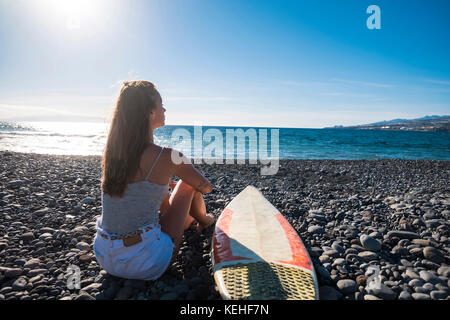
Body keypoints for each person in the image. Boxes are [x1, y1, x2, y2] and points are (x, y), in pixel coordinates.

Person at [93, 80, 215, 281]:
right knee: (188, 184)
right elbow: (206, 187)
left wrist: (164, 188)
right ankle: (206, 221)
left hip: (105, 256)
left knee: (165, 195)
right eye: (160, 105)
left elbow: (139, 194)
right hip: (145, 261)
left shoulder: (113, 154)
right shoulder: (167, 156)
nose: (164, 109)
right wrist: (180, 185)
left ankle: (192, 220)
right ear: (149, 113)